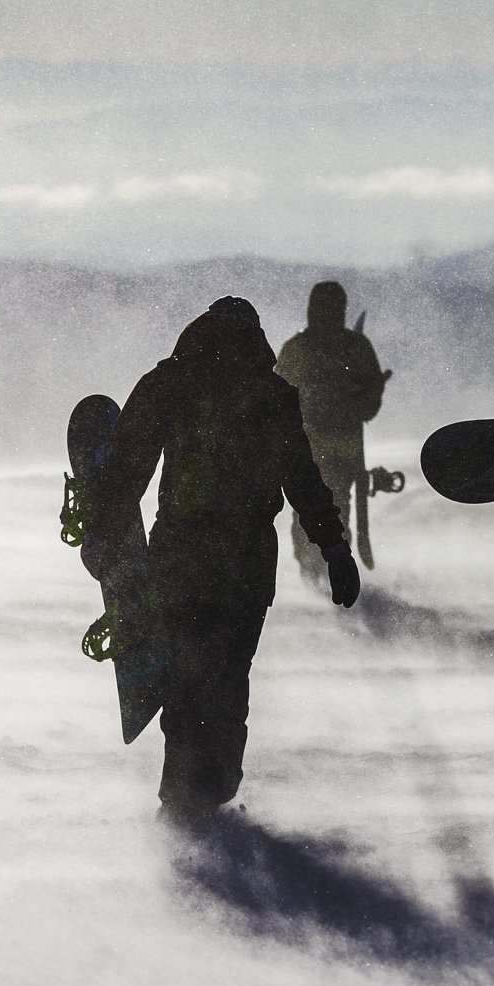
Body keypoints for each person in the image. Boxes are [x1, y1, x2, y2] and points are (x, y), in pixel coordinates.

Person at [89, 296, 361, 825]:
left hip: (180, 551)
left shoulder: (170, 382)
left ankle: (180, 800)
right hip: (247, 559)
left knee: (184, 677)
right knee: (230, 676)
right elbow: (303, 480)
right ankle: (215, 790)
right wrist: (334, 547)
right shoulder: (271, 393)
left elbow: (128, 469)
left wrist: (104, 535)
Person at [275, 281, 390, 573]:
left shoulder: (300, 347)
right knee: (330, 514)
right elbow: (278, 397)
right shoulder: (348, 347)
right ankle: (325, 578)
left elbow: (276, 398)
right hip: (322, 450)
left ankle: (324, 579)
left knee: (317, 515)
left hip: (318, 451)